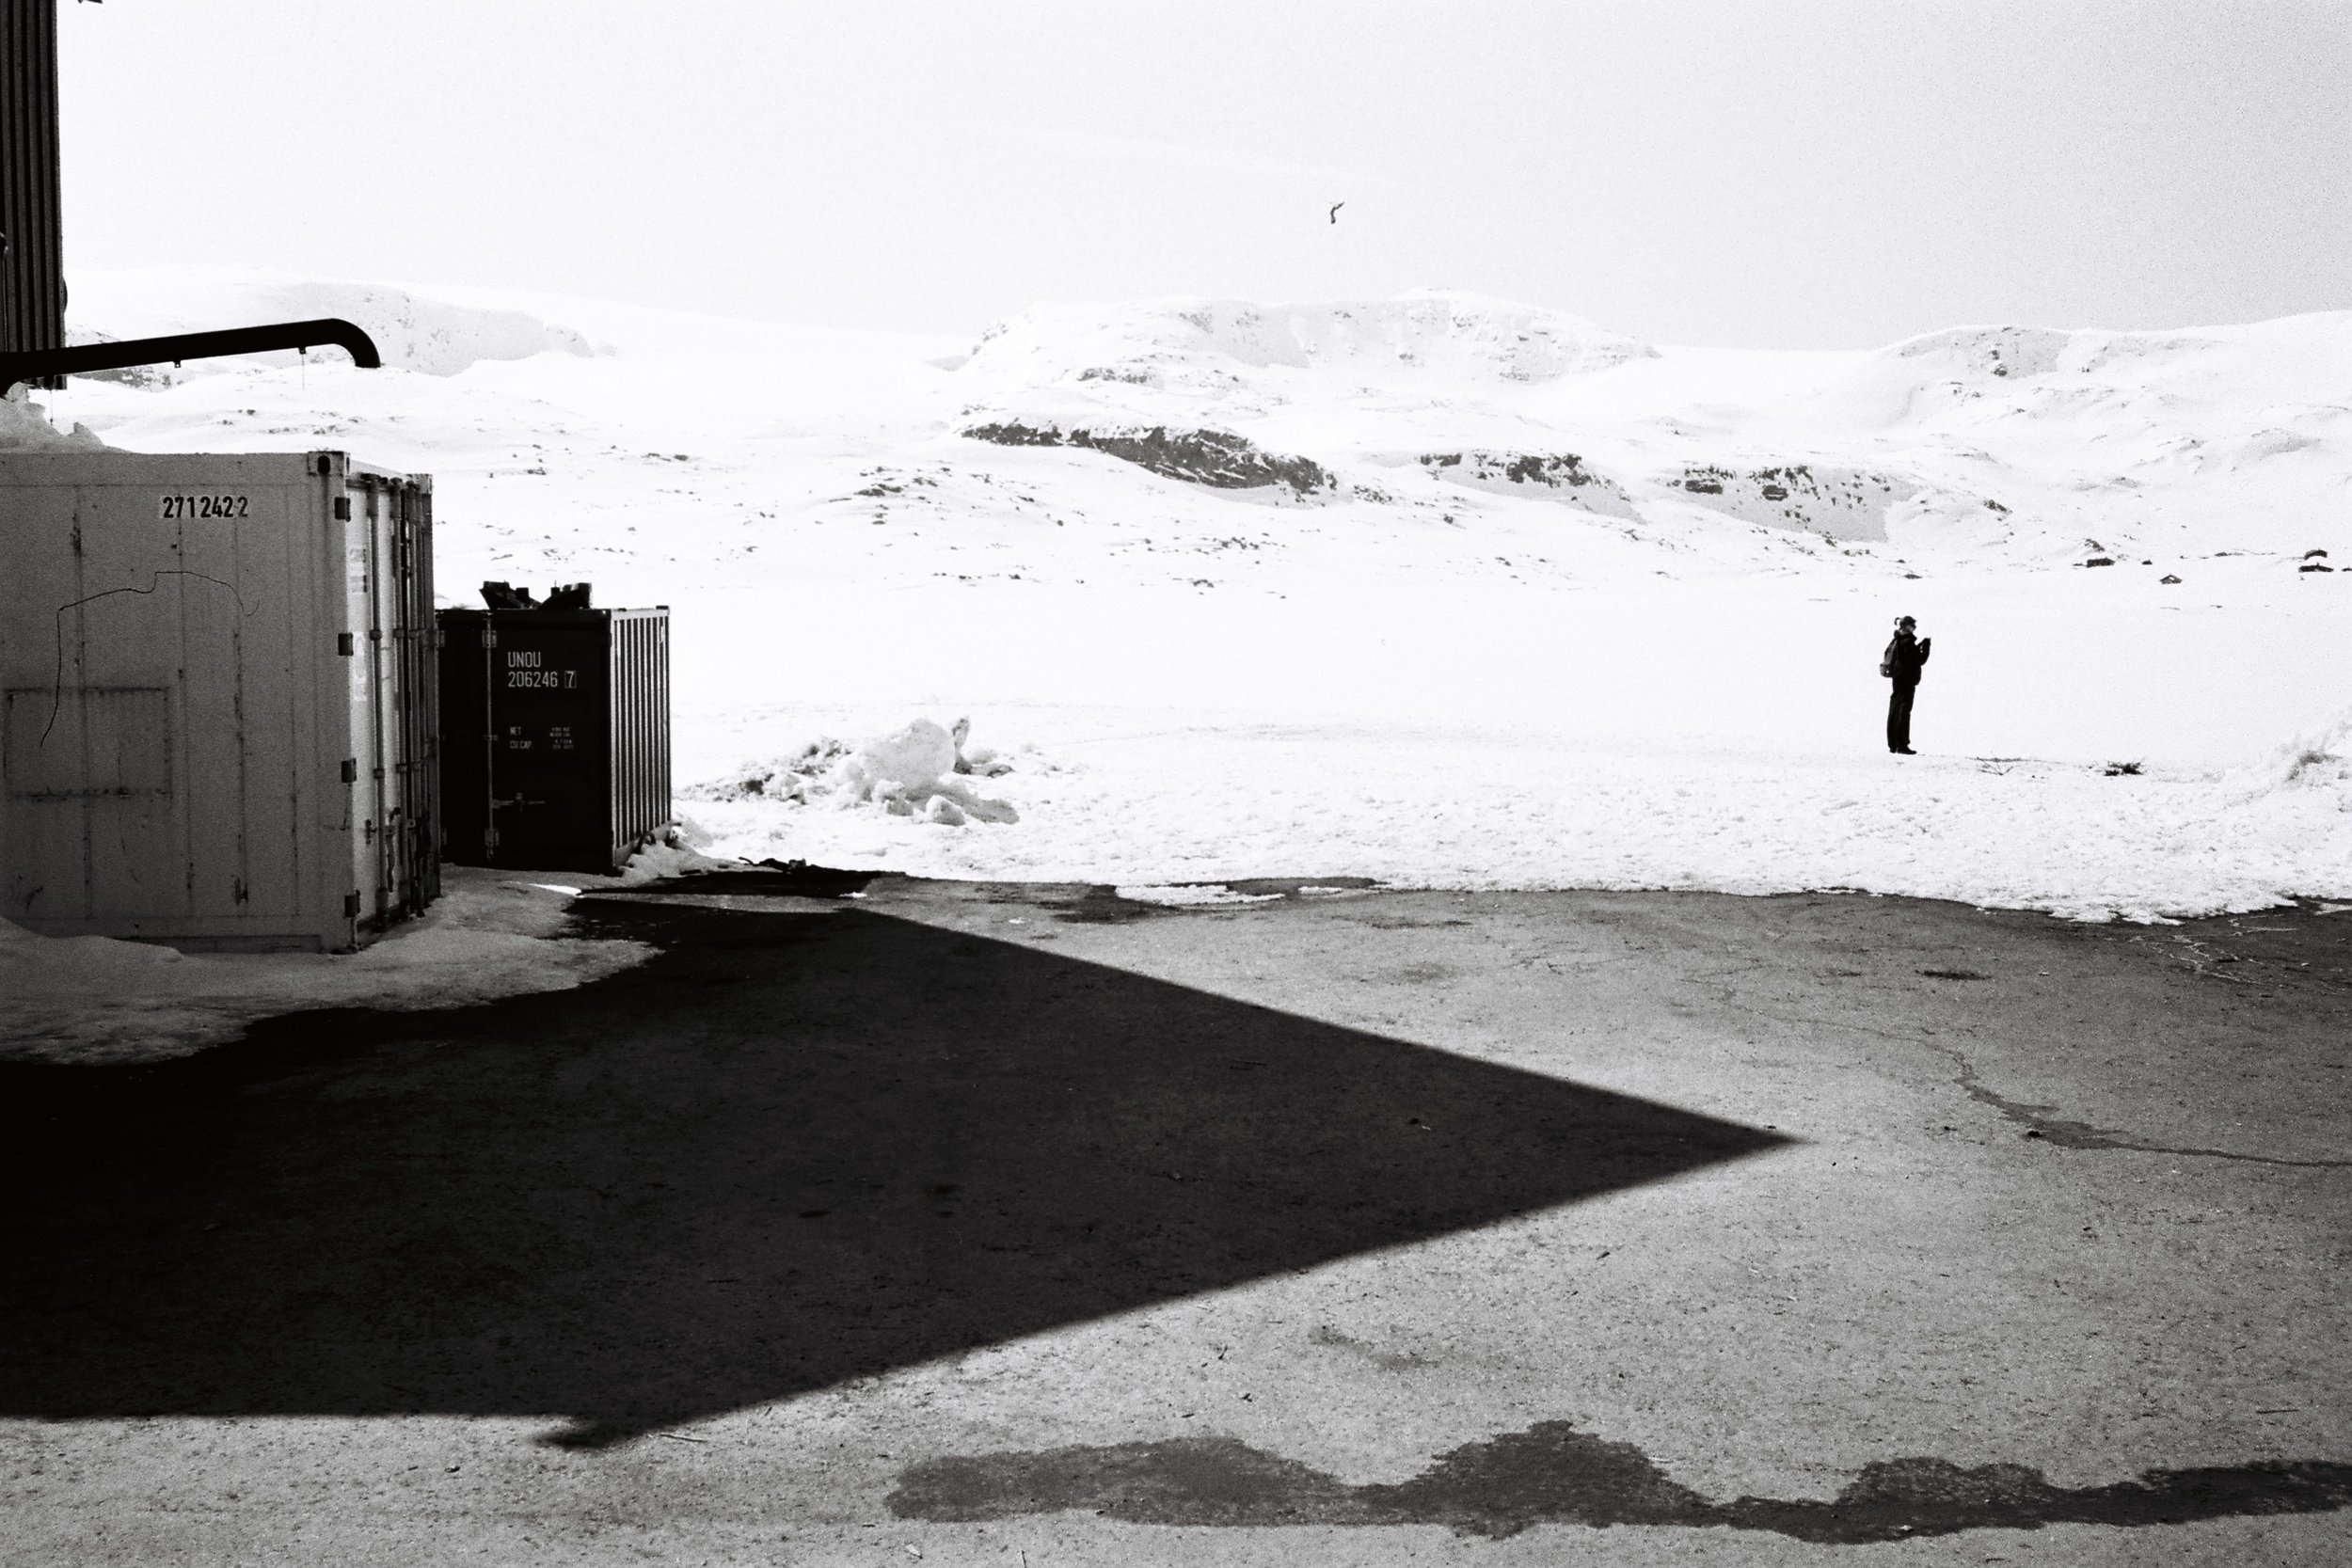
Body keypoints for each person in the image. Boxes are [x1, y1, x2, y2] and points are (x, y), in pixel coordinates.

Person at [1881, 615, 1931, 753]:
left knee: (1895, 709)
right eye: (1913, 626)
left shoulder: (1897, 639)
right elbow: (1919, 660)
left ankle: (1893, 744)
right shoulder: (1908, 641)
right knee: (1904, 711)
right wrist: (1926, 647)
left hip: (1897, 679)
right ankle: (1902, 744)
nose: (1914, 628)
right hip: (1907, 680)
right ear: (1907, 626)